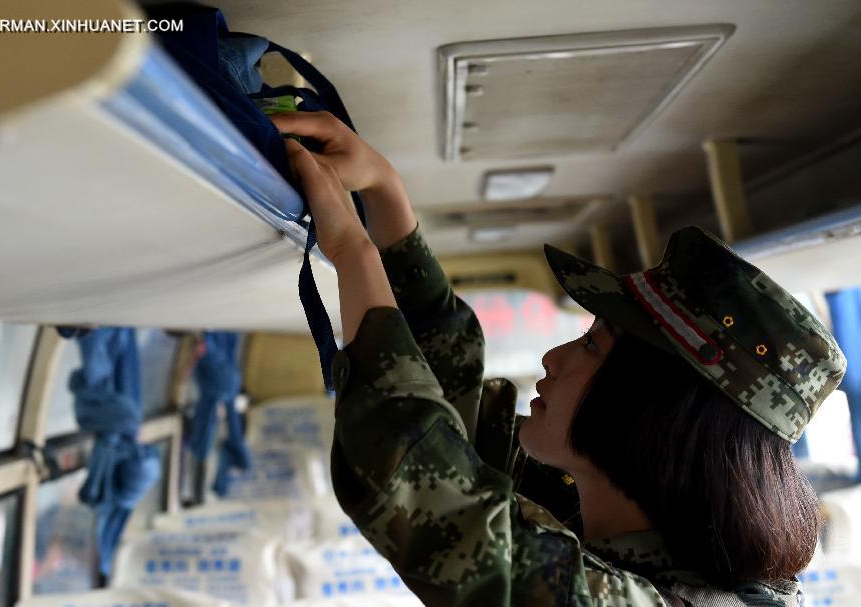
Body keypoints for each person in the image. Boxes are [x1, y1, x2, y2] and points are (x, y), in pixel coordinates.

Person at [269, 110, 847, 606]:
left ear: (640, 407)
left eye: (591, 345)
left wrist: (353, 250)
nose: (555, 356)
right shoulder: (642, 528)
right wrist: (385, 195)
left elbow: (434, 507)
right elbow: (454, 425)